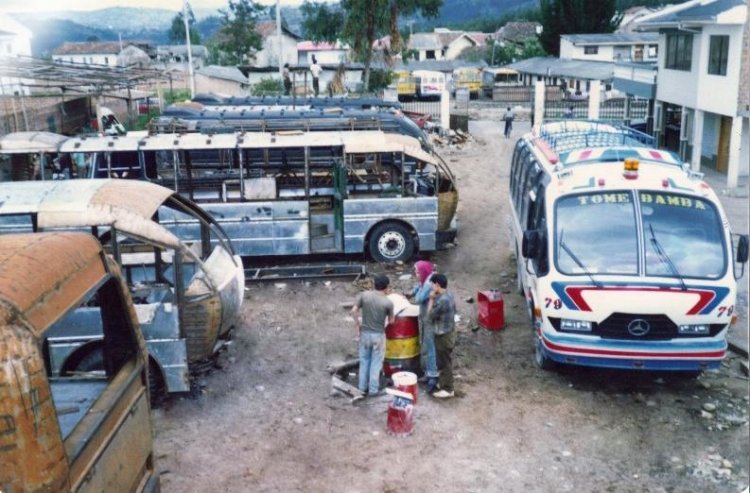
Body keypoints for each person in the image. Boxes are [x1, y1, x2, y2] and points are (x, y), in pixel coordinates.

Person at [352, 275, 395, 397]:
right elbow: (391, 321)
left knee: (364, 361)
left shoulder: (364, 295)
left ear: (373, 284)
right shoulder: (388, 302)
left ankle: (361, 388)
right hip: (379, 336)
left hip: (365, 334)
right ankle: (373, 390)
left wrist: (357, 324)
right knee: (376, 363)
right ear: (386, 287)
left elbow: (354, 310)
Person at [409, 260, 438, 392]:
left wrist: (416, 292)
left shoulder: (428, 283)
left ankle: (432, 375)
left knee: (430, 346)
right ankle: (427, 371)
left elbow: (419, 299)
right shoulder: (427, 279)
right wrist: (412, 291)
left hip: (431, 319)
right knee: (426, 345)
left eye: (417, 272)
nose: (416, 274)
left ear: (423, 271)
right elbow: (417, 288)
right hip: (426, 318)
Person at [427, 274, 456, 399]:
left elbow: (429, 316)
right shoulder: (449, 295)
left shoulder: (441, 301)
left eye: (433, 285)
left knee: (444, 362)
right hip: (449, 332)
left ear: (437, 285)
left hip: (443, 335)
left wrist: (431, 299)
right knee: (444, 360)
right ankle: (444, 383)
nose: (432, 287)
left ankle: (448, 389)